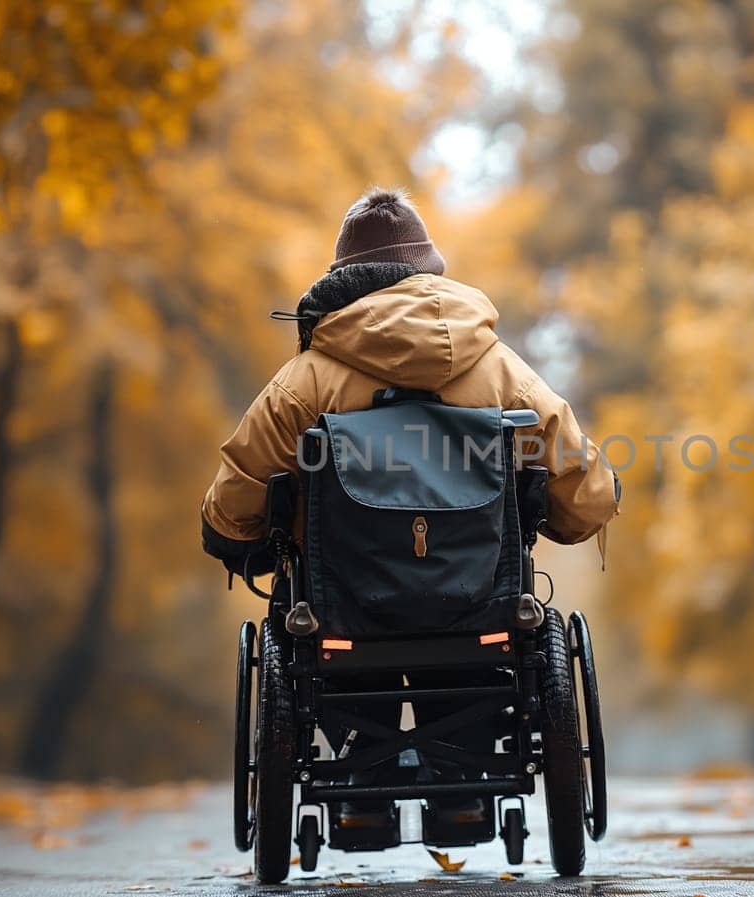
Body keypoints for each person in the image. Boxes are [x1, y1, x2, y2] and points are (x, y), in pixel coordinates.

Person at [201, 186, 618, 832]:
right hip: (479, 611)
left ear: (343, 283)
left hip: (343, 620)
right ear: (431, 276)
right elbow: (587, 491)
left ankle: (361, 776)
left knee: (307, 618)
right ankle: (463, 782)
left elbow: (236, 499)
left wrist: (239, 536)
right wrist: (557, 513)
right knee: (494, 630)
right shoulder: (499, 369)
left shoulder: (308, 381)